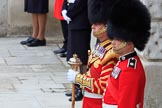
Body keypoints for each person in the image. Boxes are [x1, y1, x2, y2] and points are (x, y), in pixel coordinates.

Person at [66, 0, 119, 107]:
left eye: (97, 24)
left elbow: (103, 86)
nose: (92, 26)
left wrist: (79, 79)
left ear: (107, 26)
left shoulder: (111, 54)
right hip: (89, 101)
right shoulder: (100, 46)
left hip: (98, 103)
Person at [103, 0, 151, 108]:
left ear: (129, 42)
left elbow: (127, 103)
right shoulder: (123, 62)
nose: (113, 42)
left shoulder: (130, 69)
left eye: (118, 39)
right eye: (113, 38)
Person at [62, 0, 91, 101]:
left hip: (81, 23)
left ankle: (81, 88)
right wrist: (64, 9)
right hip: (72, 23)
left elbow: (81, 3)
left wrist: (69, 13)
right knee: (72, 55)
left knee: (82, 58)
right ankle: (75, 86)